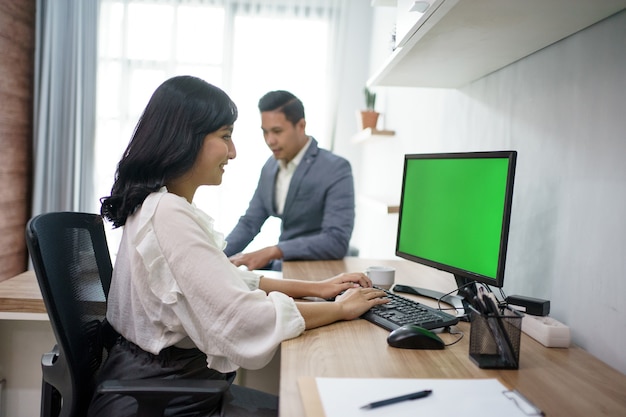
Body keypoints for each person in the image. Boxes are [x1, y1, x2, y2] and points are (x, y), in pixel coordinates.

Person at [90, 75, 388, 417]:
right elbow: (244, 317)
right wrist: (339, 309)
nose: (234, 151)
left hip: (157, 381)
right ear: (186, 138)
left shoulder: (158, 204)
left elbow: (227, 281)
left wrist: (315, 288)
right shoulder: (168, 212)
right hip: (167, 393)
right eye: (226, 137)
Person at [224, 90, 355, 271]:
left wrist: (274, 251)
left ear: (301, 125)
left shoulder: (335, 168)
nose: (270, 140)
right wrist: (217, 256)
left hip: (318, 272)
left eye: (277, 131)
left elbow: (336, 240)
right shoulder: (270, 167)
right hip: (283, 268)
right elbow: (250, 223)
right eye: (265, 132)